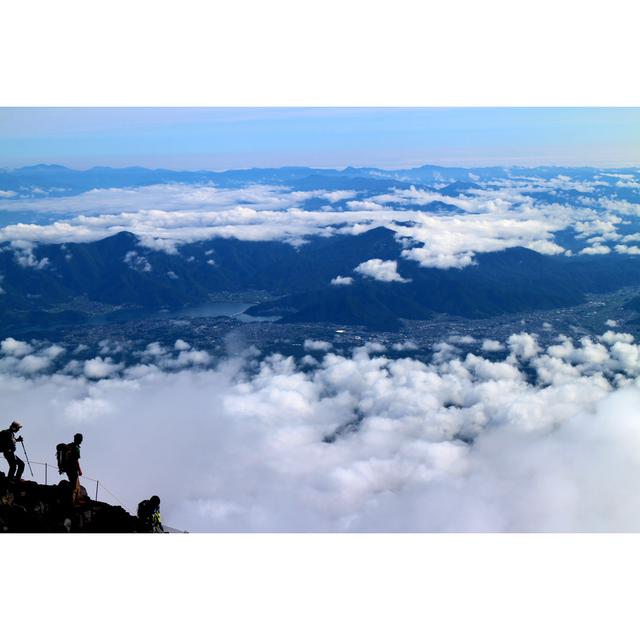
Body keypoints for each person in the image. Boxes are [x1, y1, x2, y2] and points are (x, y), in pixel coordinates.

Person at [61, 433, 83, 505]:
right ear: (80, 440)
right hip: (73, 468)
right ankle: (72, 501)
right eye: (81, 439)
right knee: (74, 485)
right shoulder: (76, 448)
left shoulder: (69, 445)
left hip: (67, 468)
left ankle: (75, 499)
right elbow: (76, 460)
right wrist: (79, 470)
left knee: (75, 484)